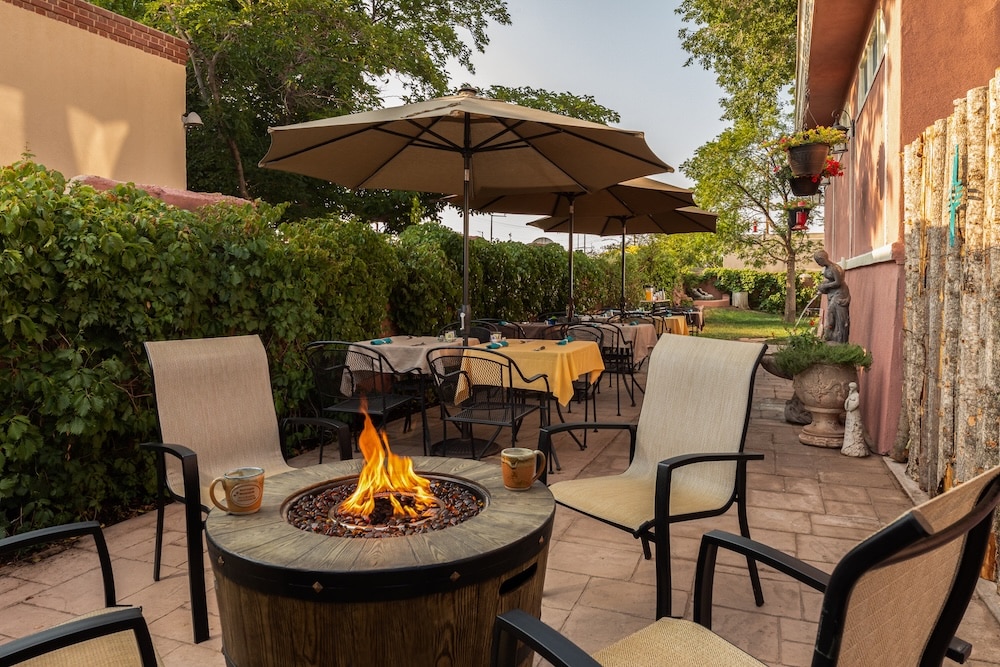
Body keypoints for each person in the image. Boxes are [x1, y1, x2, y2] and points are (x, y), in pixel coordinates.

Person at [814, 250, 850, 343]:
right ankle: (831, 336)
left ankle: (838, 338)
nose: (818, 264)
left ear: (822, 259)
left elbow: (838, 282)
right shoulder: (827, 268)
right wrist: (823, 285)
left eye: (818, 262)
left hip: (840, 294)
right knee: (831, 314)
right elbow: (831, 281)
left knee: (832, 313)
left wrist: (825, 286)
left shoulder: (834, 268)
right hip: (832, 293)